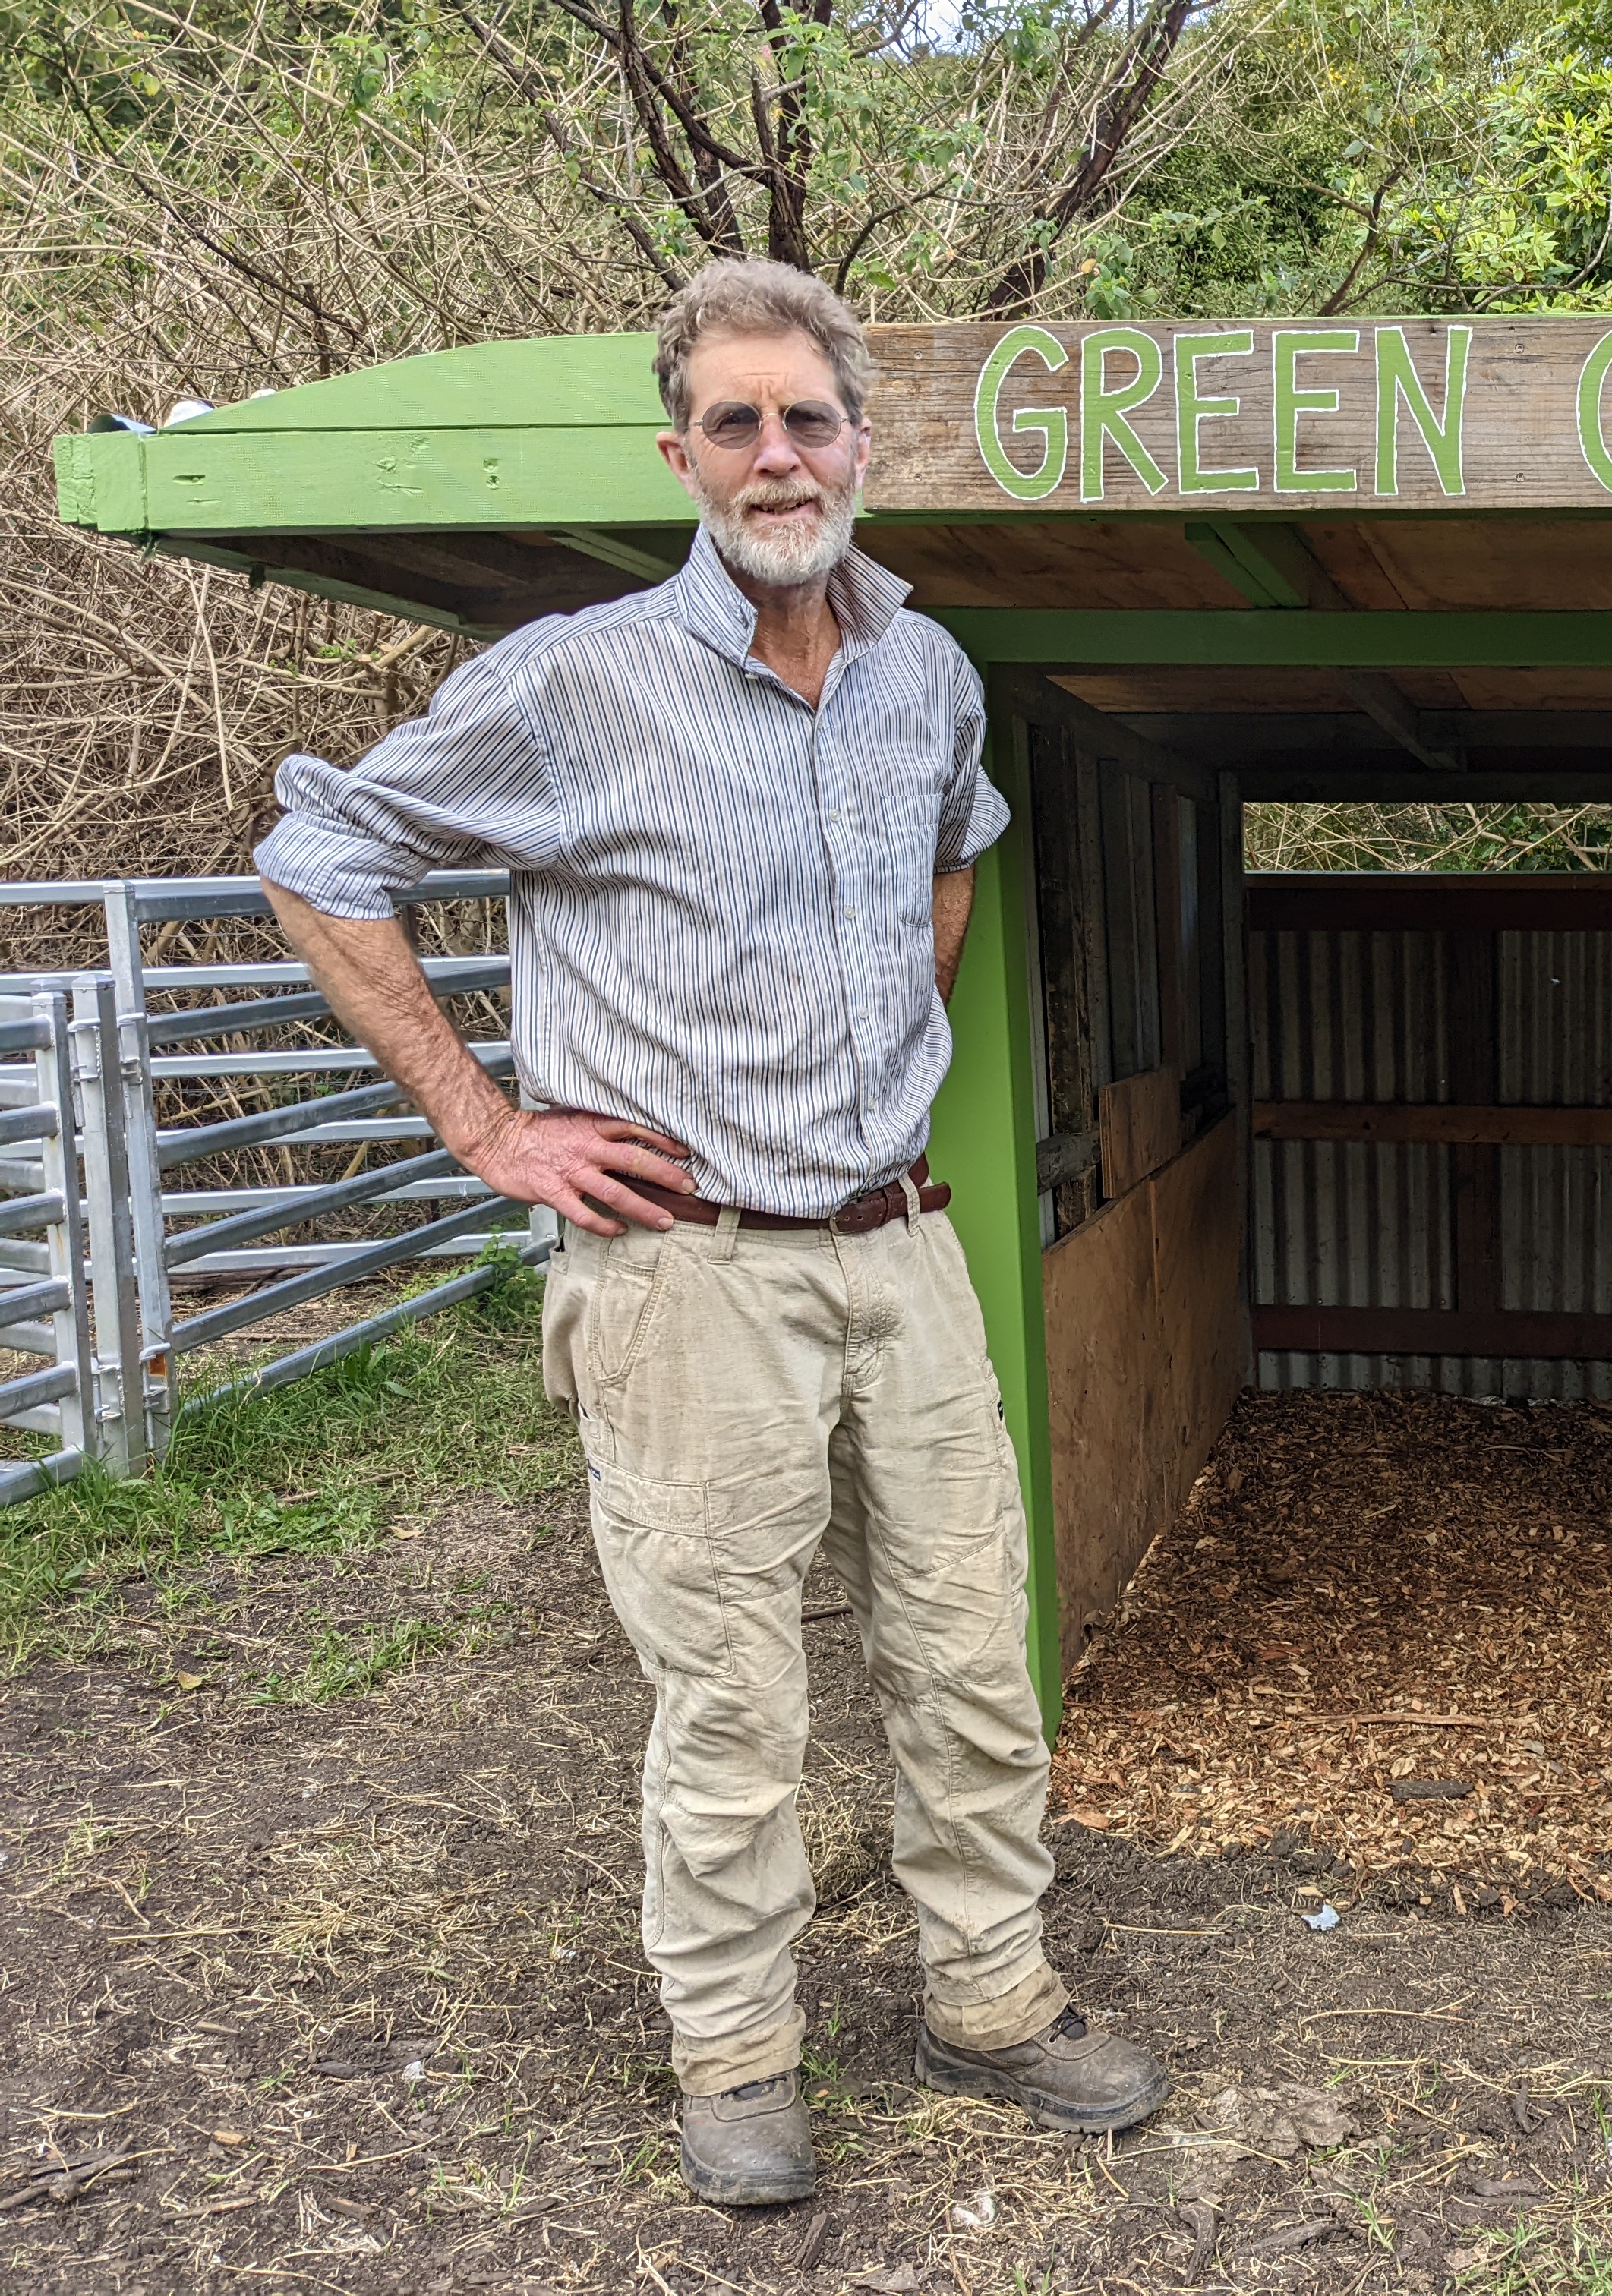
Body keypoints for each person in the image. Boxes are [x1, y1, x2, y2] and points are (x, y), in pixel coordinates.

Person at [254, 257, 1166, 2208]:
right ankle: (738, 2053)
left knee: (969, 1650)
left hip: (900, 1246)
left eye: (807, 418)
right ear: (680, 457)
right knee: (734, 1692)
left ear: (860, 444)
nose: (777, 455)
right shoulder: (575, 680)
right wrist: (488, 1125)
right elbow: (321, 851)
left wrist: (888, 1055)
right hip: (690, 1268)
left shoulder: (928, 672)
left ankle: (991, 1999)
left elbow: (956, 860)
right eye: (734, 423)